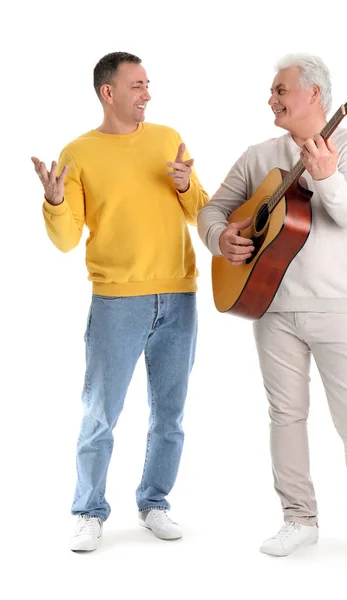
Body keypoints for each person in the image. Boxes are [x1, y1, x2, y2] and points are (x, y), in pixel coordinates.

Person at [197, 53, 347, 577]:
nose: (271, 100)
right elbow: (213, 210)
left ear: (314, 94)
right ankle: (299, 518)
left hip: (338, 308)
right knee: (285, 418)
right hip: (272, 308)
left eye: (280, 90)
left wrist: (327, 178)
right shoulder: (260, 154)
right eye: (271, 92)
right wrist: (222, 239)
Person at [32, 51, 208, 552]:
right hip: (117, 301)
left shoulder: (168, 139)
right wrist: (56, 201)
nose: (147, 94)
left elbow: (202, 212)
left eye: (149, 84)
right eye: (137, 85)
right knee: (100, 413)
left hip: (179, 296)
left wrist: (185, 184)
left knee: (169, 414)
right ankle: (88, 511)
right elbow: (66, 240)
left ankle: (155, 502)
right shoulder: (78, 153)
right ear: (108, 92)